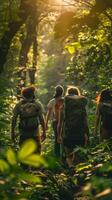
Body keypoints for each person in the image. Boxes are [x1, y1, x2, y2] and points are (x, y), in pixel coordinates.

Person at [58, 86, 89, 167]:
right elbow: (85, 121)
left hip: (68, 132)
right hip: (80, 133)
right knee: (77, 154)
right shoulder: (82, 106)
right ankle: (77, 172)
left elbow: (61, 122)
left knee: (68, 155)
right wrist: (87, 134)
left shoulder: (64, 106)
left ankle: (71, 168)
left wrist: (59, 135)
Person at [11, 86, 46, 154]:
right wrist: (44, 132)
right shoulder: (37, 104)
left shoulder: (19, 105)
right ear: (32, 94)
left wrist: (12, 132)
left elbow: (14, 119)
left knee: (24, 155)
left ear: (23, 95)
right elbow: (41, 119)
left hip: (23, 134)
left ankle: (24, 164)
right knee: (36, 155)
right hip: (35, 134)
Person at [46, 85, 64, 157]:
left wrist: (46, 123)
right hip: (64, 122)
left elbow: (49, 113)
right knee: (64, 137)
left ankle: (57, 155)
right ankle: (64, 156)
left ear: (55, 92)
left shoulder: (52, 101)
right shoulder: (64, 100)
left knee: (57, 138)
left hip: (55, 121)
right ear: (62, 92)